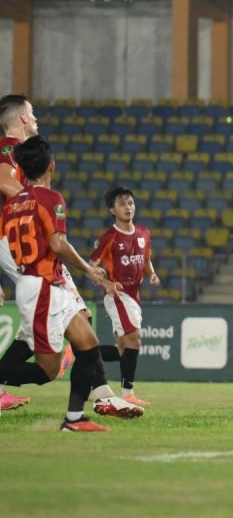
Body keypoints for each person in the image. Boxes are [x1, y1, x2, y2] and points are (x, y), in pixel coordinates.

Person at [0, 136, 144, 431]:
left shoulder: (12, 205)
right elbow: (58, 242)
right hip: (41, 285)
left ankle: (75, 419)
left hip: (43, 283)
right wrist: (87, 270)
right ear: (51, 165)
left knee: (88, 345)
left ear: (22, 171)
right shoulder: (50, 199)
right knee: (47, 370)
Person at [90, 186, 159, 407]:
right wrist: (106, 283)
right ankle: (127, 393)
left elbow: (145, 259)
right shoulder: (109, 237)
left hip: (134, 296)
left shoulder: (144, 233)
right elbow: (92, 267)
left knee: (124, 349)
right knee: (135, 340)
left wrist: (152, 273)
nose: (128, 207)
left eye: (130, 203)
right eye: (122, 204)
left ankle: (81, 352)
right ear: (112, 210)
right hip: (118, 295)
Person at [0, 94, 39, 411]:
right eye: (33, 113)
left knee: (32, 327)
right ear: (23, 118)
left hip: (15, 242)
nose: (36, 118)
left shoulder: (21, 155)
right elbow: (4, 183)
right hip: (11, 243)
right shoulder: (8, 149)